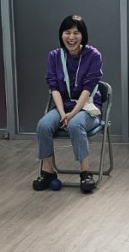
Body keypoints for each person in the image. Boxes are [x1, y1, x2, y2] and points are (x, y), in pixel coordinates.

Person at [33, 15, 104, 194]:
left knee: (75, 124)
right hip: (62, 106)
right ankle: (48, 171)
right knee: (43, 125)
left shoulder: (93, 55)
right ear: (61, 34)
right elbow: (54, 88)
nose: (71, 37)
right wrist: (63, 112)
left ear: (82, 35)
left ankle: (85, 173)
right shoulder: (54, 56)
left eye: (76, 33)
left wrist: (72, 114)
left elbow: (88, 88)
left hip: (87, 107)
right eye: (67, 32)